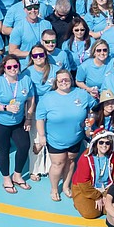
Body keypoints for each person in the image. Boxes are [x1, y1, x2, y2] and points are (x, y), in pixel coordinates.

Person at [34, 68, 94, 201]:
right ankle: (54, 188)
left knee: (71, 161)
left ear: (71, 80)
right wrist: (42, 136)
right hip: (56, 139)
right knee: (58, 164)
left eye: (66, 79)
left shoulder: (82, 94)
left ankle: (66, 186)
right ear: (56, 82)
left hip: (75, 137)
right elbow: (40, 118)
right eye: (60, 80)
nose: (63, 82)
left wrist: (89, 122)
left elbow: (93, 109)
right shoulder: (47, 98)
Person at [0, 53, 34, 194]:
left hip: (17, 120)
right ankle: (6, 178)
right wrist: (5, 107)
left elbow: (31, 99)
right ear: (4, 68)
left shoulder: (25, 80)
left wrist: (28, 117)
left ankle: (17, 175)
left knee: (24, 145)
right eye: (9, 67)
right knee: (3, 149)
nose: (13, 69)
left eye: (15, 66)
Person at [71, 127, 114, 219]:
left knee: (109, 210)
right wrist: (97, 197)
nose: (104, 145)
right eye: (101, 142)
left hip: (106, 188)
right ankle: (79, 202)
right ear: (96, 143)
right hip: (85, 188)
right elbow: (83, 183)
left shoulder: (113, 157)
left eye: (107, 143)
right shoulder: (85, 158)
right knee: (90, 213)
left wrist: (106, 195)